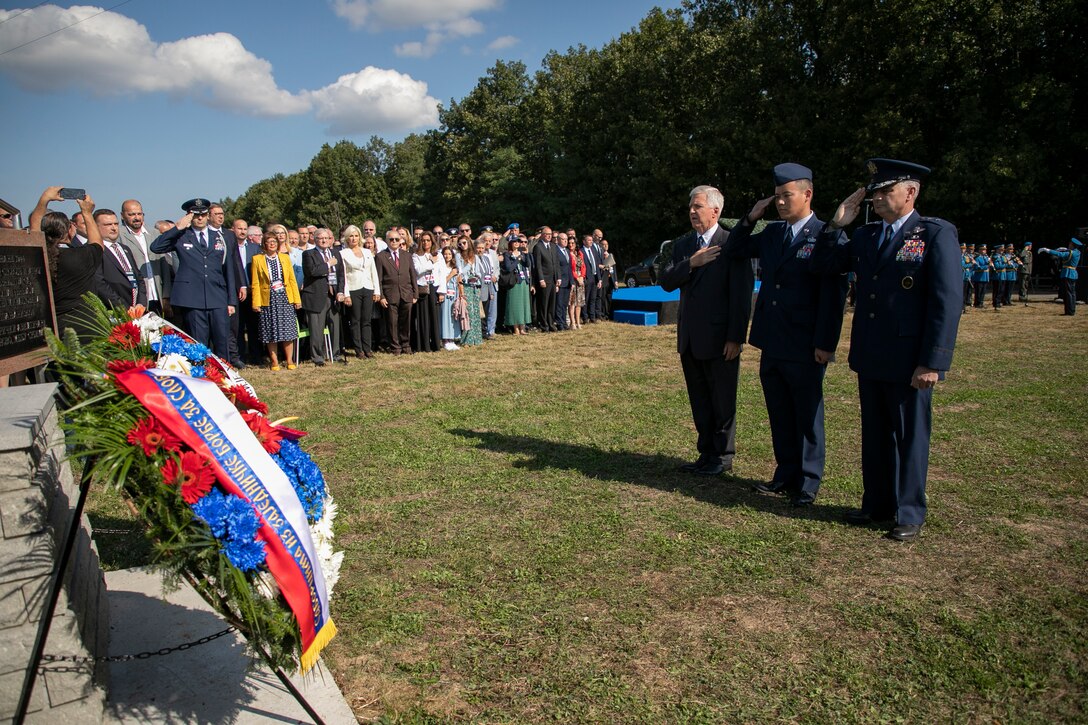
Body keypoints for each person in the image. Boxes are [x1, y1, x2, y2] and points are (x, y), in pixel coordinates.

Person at [813, 158, 963, 542]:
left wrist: (933, 360)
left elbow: (945, 301)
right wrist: (836, 225)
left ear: (910, 192)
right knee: (876, 434)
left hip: (910, 359)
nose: (876, 198)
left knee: (910, 436)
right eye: (874, 192)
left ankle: (909, 511)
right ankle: (877, 504)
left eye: (885, 191)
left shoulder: (933, 233)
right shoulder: (865, 235)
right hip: (872, 353)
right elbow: (825, 265)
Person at [723, 163, 847, 507]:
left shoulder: (828, 234)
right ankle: (785, 473)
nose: (779, 202)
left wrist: (826, 343)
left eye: (786, 196)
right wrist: (749, 218)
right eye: (776, 196)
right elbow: (735, 250)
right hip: (773, 340)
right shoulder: (775, 233)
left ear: (807, 195)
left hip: (806, 343)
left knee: (807, 414)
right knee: (779, 411)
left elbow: (833, 296)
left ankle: (808, 482)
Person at [659, 185, 754, 477]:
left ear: (716, 211)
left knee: (722, 398)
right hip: (690, 337)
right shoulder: (683, 245)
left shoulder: (731, 243)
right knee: (699, 398)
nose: (691, 211)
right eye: (690, 206)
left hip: (720, 338)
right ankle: (706, 452)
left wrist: (736, 337)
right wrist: (692, 263)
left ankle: (723, 455)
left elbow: (741, 294)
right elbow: (666, 281)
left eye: (697, 206)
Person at [150, 198, 237, 359]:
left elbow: (228, 270)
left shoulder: (219, 236)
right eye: (195, 215)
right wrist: (177, 227)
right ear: (189, 216)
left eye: (203, 214)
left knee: (222, 339)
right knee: (198, 342)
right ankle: (202, 375)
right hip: (192, 297)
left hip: (217, 295)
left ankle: (224, 376)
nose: (200, 218)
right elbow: (156, 247)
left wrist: (231, 300)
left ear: (208, 215)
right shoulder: (182, 235)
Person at [30, 187, 102, 340]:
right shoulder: (82, 255)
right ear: (70, 230)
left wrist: (44, 199)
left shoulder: (38, 255)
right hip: (87, 327)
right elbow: (97, 242)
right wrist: (87, 213)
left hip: (54, 329)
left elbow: (34, 232)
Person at [250, 228, 302, 370]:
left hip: (285, 297)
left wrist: (297, 300)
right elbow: (255, 283)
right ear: (264, 244)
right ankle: (274, 361)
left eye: (274, 241)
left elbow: (291, 279)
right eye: (269, 242)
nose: (272, 244)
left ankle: (289, 360)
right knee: (270, 331)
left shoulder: (285, 258)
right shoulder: (257, 259)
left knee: (287, 331)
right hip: (268, 299)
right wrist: (256, 302)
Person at [300, 228, 346, 366]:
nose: (324, 240)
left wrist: (340, 292)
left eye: (326, 238)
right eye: (320, 238)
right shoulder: (308, 254)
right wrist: (327, 264)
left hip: (333, 296)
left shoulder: (335, 253)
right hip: (316, 296)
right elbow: (312, 271)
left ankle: (335, 353)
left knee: (334, 327)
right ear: (314, 239)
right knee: (317, 328)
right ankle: (317, 356)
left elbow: (341, 275)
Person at [118, 199, 170, 317]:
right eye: (131, 214)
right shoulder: (119, 235)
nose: (136, 217)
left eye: (139, 214)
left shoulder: (154, 233)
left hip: (157, 294)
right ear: (122, 216)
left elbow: (164, 265)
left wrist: (166, 295)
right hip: (136, 299)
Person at [339, 224, 381, 358]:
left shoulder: (367, 252)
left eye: (356, 235)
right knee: (355, 320)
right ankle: (359, 350)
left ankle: (368, 349)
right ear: (346, 238)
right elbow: (343, 276)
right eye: (351, 236)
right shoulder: (343, 253)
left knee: (366, 320)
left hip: (368, 288)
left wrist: (377, 291)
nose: (354, 238)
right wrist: (346, 294)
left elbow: (373, 271)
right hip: (353, 288)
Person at [93, 207, 147, 310]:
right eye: (108, 225)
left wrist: (141, 303)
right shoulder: (95, 250)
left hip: (136, 309)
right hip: (115, 310)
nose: (114, 228)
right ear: (95, 227)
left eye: (116, 224)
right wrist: (123, 307)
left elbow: (138, 278)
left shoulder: (124, 249)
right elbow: (99, 283)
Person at [375, 229, 416, 354]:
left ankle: (406, 345)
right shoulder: (380, 257)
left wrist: (415, 293)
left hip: (406, 294)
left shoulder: (407, 256)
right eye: (391, 239)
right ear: (387, 241)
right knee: (392, 323)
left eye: (396, 239)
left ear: (401, 241)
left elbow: (412, 275)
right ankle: (395, 347)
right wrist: (381, 296)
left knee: (406, 322)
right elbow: (378, 278)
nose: (394, 241)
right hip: (390, 295)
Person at [411, 232, 440, 352]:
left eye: (428, 240)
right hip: (422, 287)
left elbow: (441, 272)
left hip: (434, 287)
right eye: (423, 240)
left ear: (432, 241)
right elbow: (418, 270)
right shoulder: (416, 256)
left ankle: (435, 344)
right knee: (423, 317)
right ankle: (423, 345)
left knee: (434, 316)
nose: (425, 243)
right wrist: (431, 263)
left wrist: (441, 291)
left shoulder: (438, 255)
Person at [1040, 238, 1082, 315]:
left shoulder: (1070, 253)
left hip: (1068, 273)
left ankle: (1069, 311)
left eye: (1070, 244)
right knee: (1072, 293)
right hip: (1073, 273)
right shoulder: (1077, 252)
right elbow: (1067, 252)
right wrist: (1064, 249)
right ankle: (1071, 310)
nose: (1069, 244)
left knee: (1068, 293)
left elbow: (1060, 254)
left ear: (1072, 245)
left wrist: (1047, 250)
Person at [456, 236, 484, 346]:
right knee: (468, 313)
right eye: (460, 244)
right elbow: (460, 272)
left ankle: (476, 338)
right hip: (465, 285)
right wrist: (469, 264)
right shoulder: (458, 256)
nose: (462, 245)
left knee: (476, 311)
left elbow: (478, 271)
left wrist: (477, 277)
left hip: (475, 286)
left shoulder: (475, 256)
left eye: (464, 243)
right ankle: (466, 339)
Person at [531, 226, 560, 331]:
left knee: (552, 303)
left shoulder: (553, 246)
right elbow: (538, 265)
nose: (549, 236)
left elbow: (556, 263)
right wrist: (541, 279)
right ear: (542, 235)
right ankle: (544, 325)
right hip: (544, 280)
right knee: (543, 303)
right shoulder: (538, 247)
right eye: (547, 234)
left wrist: (558, 278)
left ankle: (551, 323)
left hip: (553, 279)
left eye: (550, 234)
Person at [502, 235, 533, 335]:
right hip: (514, 282)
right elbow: (508, 268)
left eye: (518, 241)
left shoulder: (522, 253)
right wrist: (517, 259)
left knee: (524, 304)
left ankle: (522, 327)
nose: (517, 243)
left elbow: (527, 264)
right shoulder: (507, 254)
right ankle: (515, 327)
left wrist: (526, 254)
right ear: (510, 243)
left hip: (524, 282)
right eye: (514, 241)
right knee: (514, 305)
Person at [437, 246, 462, 349]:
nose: (447, 256)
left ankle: (452, 338)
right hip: (445, 294)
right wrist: (451, 274)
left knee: (453, 316)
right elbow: (442, 281)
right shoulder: (440, 267)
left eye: (449, 254)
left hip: (454, 294)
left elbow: (459, 281)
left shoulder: (455, 267)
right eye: (445, 254)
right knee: (445, 316)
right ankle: (445, 339)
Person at [554, 231, 574, 330]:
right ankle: (559, 323)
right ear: (558, 240)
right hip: (560, 281)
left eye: (566, 239)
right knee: (559, 303)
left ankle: (564, 322)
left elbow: (569, 267)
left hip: (568, 282)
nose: (565, 241)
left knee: (565, 304)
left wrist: (572, 282)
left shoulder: (567, 251)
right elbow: (556, 266)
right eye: (563, 239)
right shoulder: (555, 251)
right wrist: (558, 279)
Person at [569, 240, 586, 329]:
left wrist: (582, 276)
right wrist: (576, 277)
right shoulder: (568, 254)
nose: (571, 245)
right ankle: (572, 323)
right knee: (572, 303)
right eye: (569, 243)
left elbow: (583, 266)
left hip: (580, 279)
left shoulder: (579, 253)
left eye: (573, 243)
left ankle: (578, 322)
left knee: (579, 303)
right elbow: (570, 269)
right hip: (573, 279)